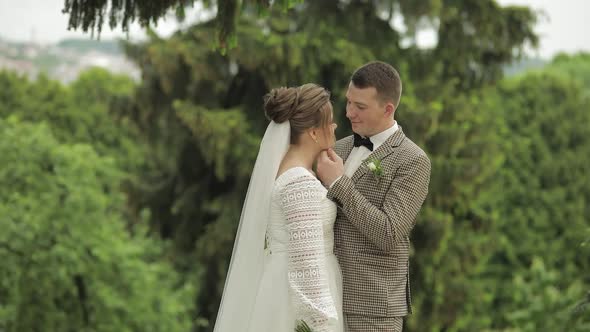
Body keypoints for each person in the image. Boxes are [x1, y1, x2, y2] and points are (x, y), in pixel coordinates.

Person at [214, 83, 344, 332]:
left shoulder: (293, 172)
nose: (334, 127)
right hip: (297, 302)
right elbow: (307, 265)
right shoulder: (300, 184)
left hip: (284, 288)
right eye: (330, 122)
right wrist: (321, 325)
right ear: (314, 133)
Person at [317, 61, 431, 332]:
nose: (348, 113)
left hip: (373, 309)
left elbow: (388, 233)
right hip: (325, 300)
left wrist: (339, 183)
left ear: (388, 109)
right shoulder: (338, 148)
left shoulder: (413, 160)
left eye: (360, 107)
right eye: (348, 102)